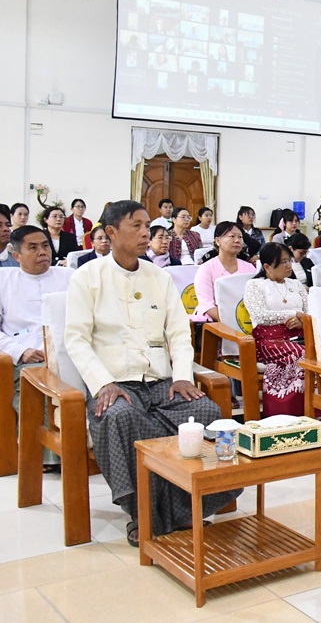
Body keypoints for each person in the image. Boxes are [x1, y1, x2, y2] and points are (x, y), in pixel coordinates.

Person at [65, 200, 240, 546]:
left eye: (147, 225)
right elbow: (76, 339)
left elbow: (179, 333)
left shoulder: (159, 277)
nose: (146, 232)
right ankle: (144, 515)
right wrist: (103, 383)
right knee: (121, 418)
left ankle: (189, 506)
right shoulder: (87, 278)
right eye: (137, 226)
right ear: (111, 232)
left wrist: (182, 376)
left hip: (160, 383)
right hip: (114, 384)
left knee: (205, 411)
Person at [243, 243, 321, 433]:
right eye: (283, 262)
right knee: (303, 356)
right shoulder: (255, 285)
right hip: (269, 340)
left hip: (300, 335)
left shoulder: (296, 285)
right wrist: (294, 314)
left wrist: (301, 321)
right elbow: (260, 315)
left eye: (289, 261)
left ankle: (320, 411)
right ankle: (301, 416)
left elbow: (309, 312)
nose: (289, 266)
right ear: (267, 266)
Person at [0, 226, 73, 470]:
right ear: (16, 254)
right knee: (38, 380)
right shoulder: (4, 280)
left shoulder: (68, 276)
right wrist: (20, 351)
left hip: (67, 351)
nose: (42, 252)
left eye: (45, 246)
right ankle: (48, 457)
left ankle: (86, 448)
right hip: (26, 356)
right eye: (33, 248)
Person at [193, 221, 255, 322]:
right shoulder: (206, 269)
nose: (237, 240)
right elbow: (207, 305)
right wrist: (232, 322)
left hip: (244, 320)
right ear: (218, 241)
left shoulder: (249, 268)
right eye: (232, 236)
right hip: (214, 321)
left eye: (240, 237)